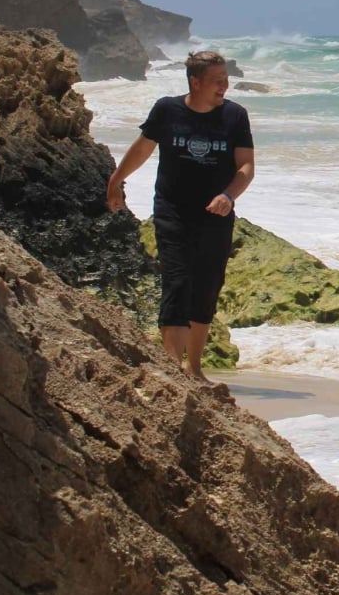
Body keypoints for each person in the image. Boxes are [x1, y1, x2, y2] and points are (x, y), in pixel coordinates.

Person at [105, 50, 255, 382]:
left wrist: (228, 195)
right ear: (195, 81)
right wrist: (117, 180)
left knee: (207, 286)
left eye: (227, 81)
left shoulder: (235, 116)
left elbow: (246, 166)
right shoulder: (167, 110)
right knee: (177, 282)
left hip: (216, 215)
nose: (224, 88)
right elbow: (144, 148)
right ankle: (173, 367)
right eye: (217, 82)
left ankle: (195, 367)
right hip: (172, 210)